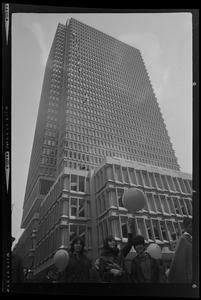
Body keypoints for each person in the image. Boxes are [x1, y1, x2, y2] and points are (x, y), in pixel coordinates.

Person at [99, 218, 133, 283]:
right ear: (106, 243)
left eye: (114, 241)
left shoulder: (120, 253)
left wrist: (129, 228)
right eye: (110, 241)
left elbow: (129, 244)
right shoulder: (103, 258)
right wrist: (111, 271)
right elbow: (101, 275)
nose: (113, 242)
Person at [168, 217, 192, 283]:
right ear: (185, 227)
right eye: (190, 227)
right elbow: (178, 260)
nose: (193, 229)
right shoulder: (183, 239)